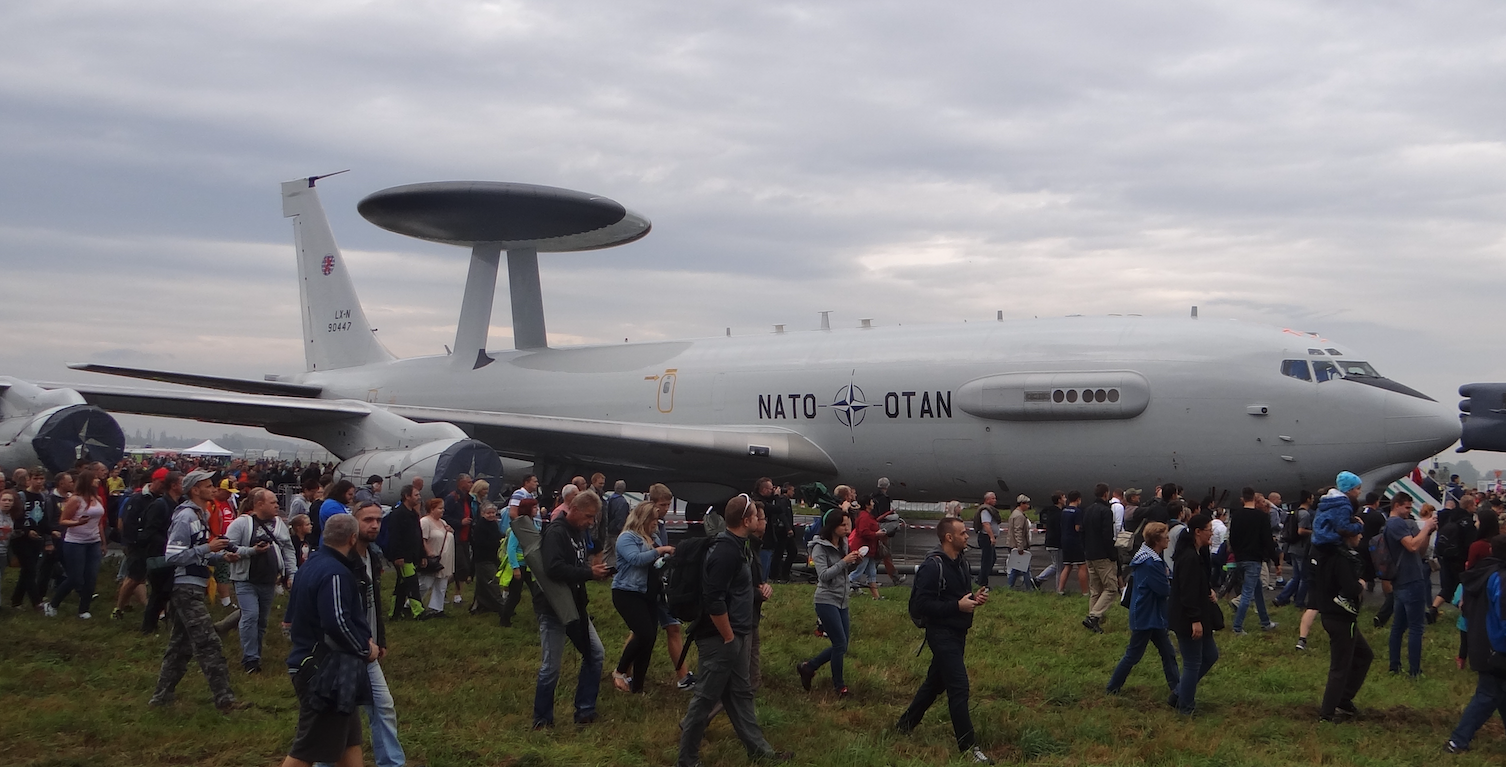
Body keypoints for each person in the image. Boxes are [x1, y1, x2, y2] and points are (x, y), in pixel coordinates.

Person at [676, 494, 792, 766]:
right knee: (704, 699)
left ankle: (760, 752)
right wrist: (728, 636)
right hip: (721, 638)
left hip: (737, 634)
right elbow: (713, 598)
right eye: (756, 515)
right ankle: (687, 760)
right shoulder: (726, 551)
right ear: (746, 520)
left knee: (740, 694)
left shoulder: (741, 546)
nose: (759, 519)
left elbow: (734, 591)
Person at [280, 513, 378, 767]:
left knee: (349, 740)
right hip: (323, 670)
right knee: (307, 749)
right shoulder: (335, 572)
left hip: (326, 666)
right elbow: (336, 621)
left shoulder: (310, 565)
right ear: (353, 538)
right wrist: (364, 648)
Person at [895, 518, 992, 764]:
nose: (967, 536)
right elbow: (921, 604)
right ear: (949, 537)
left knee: (934, 684)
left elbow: (957, 596)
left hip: (958, 633)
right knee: (959, 687)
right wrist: (956, 606)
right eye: (962, 533)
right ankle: (969, 748)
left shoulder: (961, 562)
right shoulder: (932, 566)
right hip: (941, 634)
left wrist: (973, 599)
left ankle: (903, 727)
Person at [150, 470, 242, 711]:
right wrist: (207, 549)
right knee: (208, 643)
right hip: (185, 587)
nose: (213, 489)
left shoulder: (199, 515)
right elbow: (173, 556)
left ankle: (161, 697)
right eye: (208, 485)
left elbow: (196, 555)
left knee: (179, 647)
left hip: (193, 585)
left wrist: (220, 556)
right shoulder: (186, 517)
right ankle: (225, 698)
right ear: (195, 490)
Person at [533, 490, 609, 729]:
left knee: (595, 654)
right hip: (555, 609)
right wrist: (589, 573)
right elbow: (554, 568)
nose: (590, 522)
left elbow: (577, 562)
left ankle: (585, 710)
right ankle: (542, 719)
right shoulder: (556, 532)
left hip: (577, 606)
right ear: (574, 509)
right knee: (551, 667)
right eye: (587, 517)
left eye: (593, 518)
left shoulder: (578, 532)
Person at [348, 500, 411, 767]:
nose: (374, 525)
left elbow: (375, 602)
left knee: (383, 705)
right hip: (345, 648)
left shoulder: (372, 556)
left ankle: (391, 763)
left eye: (377, 520)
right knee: (339, 715)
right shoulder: (343, 558)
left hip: (368, 647)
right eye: (367, 520)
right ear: (354, 523)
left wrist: (379, 638)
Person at [1443, 534, 1506, 754]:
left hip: (1479, 642)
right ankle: (1458, 741)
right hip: (1496, 647)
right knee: (1488, 695)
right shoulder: (1500, 578)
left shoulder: (1481, 573)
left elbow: (1465, 608)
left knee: (1498, 692)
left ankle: (1458, 740)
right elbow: (1504, 617)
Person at [224, 487, 297, 673]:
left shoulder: (279, 524)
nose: (277, 505)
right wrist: (251, 551)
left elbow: (287, 548)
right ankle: (250, 659)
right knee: (250, 615)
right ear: (259, 504)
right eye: (272, 502)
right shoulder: (241, 523)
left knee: (262, 621)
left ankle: (256, 653)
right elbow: (227, 547)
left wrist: (291, 573)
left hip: (269, 580)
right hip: (246, 579)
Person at [1106, 522, 1180, 698]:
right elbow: (1162, 589)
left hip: (1149, 613)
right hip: (1147, 615)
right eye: (1165, 536)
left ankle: (1177, 689)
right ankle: (1112, 687)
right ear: (1156, 539)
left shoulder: (1146, 557)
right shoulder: (1152, 562)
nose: (1168, 538)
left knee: (1168, 653)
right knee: (1134, 654)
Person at [611, 500, 676, 693]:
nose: (656, 523)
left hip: (649, 593)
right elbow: (635, 559)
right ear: (643, 518)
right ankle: (620, 671)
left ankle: (637, 687)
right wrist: (660, 550)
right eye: (653, 519)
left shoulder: (654, 537)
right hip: (627, 592)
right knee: (643, 633)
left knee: (649, 640)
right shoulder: (627, 538)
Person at [797, 508, 861, 695]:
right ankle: (839, 686)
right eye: (843, 525)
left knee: (842, 644)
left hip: (842, 599)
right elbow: (824, 575)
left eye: (848, 524)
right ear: (832, 526)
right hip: (826, 599)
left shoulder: (843, 543)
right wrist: (844, 561)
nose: (847, 528)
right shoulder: (819, 547)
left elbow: (843, 571)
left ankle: (809, 667)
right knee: (840, 643)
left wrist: (854, 561)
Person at [1313, 522, 1371, 722]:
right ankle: (1327, 713)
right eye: (1359, 533)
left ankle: (1344, 700)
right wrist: (1360, 584)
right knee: (1340, 666)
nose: (1361, 537)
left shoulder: (1328, 554)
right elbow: (1350, 588)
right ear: (1350, 535)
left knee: (1364, 655)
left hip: (1332, 615)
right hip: (1341, 618)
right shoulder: (1342, 559)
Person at [1169, 514, 1220, 715]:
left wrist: (1208, 590)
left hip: (1199, 614)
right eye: (1209, 529)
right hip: (1189, 618)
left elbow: (1197, 582)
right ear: (1198, 532)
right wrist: (1195, 620)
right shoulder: (1189, 557)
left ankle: (1179, 693)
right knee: (1192, 663)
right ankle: (1185, 707)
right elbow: (1187, 592)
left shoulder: (1198, 554)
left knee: (1210, 655)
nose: (1212, 532)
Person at [1384, 492, 1435, 678]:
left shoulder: (1394, 524)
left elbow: (1419, 552)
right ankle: (1414, 670)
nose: (1408, 511)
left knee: (1399, 625)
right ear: (1396, 505)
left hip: (1402, 579)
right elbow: (1412, 546)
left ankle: (1394, 665)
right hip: (1410, 579)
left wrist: (1427, 532)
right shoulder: (1396, 523)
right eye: (1406, 507)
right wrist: (1426, 527)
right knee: (1416, 627)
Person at [46, 469, 106, 619]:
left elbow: (98, 523)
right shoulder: (75, 500)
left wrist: (103, 542)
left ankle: (83, 609)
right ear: (88, 481)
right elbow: (63, 520)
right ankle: (53, 604)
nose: (98, 481)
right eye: (95, 478)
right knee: (75, 577)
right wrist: (77, 523)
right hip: (75, 542)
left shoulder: (97, 498)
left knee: (91, 577)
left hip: (93, 541)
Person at [114, 468, 166, 619]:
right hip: (138, 544)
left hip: (155, 544)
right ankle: (118, 608)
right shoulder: (137, 499)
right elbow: (126, 523)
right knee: (134, 578)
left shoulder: (163, 498)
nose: (164, 486)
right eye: (162, 483)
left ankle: (154, 608)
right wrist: (133, 542)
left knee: (146, 578)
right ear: (154, 480)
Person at [1229, 487, 1278, 635]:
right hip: (1254, 558)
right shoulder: (1261, 517)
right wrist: (1276, 560)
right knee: (1247, 594)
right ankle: (1237, 627)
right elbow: (1267, 540)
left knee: (1257, 590)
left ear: (1242, 499)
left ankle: (1265, 621)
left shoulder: (1236, 515)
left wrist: (1237, 553)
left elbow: (1232, 538)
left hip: (1241, 558)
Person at [384, 484, 426, 620]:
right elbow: (395, 536)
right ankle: (418, 611)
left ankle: (395, 613)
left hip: (412, 554)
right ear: (407, 496)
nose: (419, 497)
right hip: (403, 557)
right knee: (412, 583)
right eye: (416, 495)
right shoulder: (398, 514)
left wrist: (422, 554)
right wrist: (398, 556)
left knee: (402, 585)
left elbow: (417, 535)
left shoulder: (413, 514)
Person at [1082, 483, 1118, 633]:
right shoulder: (1106, 511)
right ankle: (1094, 616)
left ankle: (1093, 618)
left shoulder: (1088, 510)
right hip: (1102, 555)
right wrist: (1113, 555)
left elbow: (1082, 532)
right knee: (1111, 588)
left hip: (1089, 554)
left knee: (1095, 589)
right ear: (1106, 494)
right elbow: (1107, 536)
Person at [500, 497, 537, 628]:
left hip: (530, 565)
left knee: (537, 593)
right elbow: (511, 548)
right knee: (515, 595)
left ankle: (541, 616)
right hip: (519, 565)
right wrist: (515, 567)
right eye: (534, 507)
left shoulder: (533, 524)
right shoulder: (519, 526)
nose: (537, 510)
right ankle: (504, 619)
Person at [1274, 490, 1315, 609]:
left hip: (1292, 547)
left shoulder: (1295, 512)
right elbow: (1301, 531)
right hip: (1301, 548)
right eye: (1311, 498)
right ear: (1307, 499)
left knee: (1296, 576)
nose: (1313, 500)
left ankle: (1282, 598)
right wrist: (1313, 532)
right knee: (1304, 577)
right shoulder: (1305, 514)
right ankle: (1299, 601)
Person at [443, 474, 476, 606]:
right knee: (460, 566)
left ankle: (456, 594)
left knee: (463, 568)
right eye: (468, 482)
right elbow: (445, 516)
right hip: (455, 537)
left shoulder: (468, 499)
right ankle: (445, 589)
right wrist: (460, 522)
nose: (471, 484)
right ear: (460, 483)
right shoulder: (452, 498)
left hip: (466, 537)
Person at [470, 501, 506, 616]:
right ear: (482, 513)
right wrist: (496, 543)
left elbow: (498, 535)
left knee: (482, 584)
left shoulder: (493, 524)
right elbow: (480, 543)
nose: (491, 515)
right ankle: (502, 606)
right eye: (488, 513)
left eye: (493, 512)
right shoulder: (480, 526)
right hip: (483, 558)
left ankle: (481, 605)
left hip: (492, 557)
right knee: (492, 582)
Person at [418, 499, 453, 616]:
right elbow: (422, 539)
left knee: (442, 584)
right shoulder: (425, 522)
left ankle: (437, 608)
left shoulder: (443, 522)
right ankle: (412, 603)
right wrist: (428, 552)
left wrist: (450, 531)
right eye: (440, 508)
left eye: (443, 508)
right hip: (433, 558)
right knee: (425, 583)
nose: (442, 510)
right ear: (432, 509)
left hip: (445, 559)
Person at [847, 493, 883, 600]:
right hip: (864, 548)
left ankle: (876, 597)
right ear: (867, 505)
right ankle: (843, 588)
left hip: (869, 548)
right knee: (858, 572)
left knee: (872, 573)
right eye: (871, 502)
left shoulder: (865, 516)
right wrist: (876, 534)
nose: (873, 504)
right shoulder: (864, 517)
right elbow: (863, 532)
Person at [1058, 491, 1089, 596]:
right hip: (1074, 540)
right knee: (1082, 566)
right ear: (1078, 499)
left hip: (1065, 539)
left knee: (1067, 565)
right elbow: (1077, 528)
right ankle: (1085, 592)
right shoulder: (1077, 511)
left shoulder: (1064, 511)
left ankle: (1060, 589)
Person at [1035, 493, 1063, 590]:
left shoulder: (1051, 513)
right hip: (1056, 543)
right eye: (1063, 497)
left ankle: (1039, 579)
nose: (1065, 499)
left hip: (1050, 541)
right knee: (1058, 567)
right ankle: (1058, 588)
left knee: (1056, 565)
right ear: (1059, 500)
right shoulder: (1058, 514)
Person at [1005, 495, 1032, 588]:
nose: (1028, 506)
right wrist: (1020, 547)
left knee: (1017, 568)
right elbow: (1018, 531)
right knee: (1025, 568)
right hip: (1017, 546)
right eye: (1027, 504)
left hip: (1013, 544)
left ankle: (1010, 586)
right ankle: (1029, 588)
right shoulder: (1019, 516)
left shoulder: (1015, 514)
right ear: (1022, 504)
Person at [974, 492, 999, 588]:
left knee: (991, 559)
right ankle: (982, 582)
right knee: (987, 561)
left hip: (987, 537)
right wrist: (992, 537)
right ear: (987, 500)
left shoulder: (989, 509)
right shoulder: (985, 510)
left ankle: (981, 579)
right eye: (993, 498)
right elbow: (986, 524)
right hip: (986, 537)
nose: (995, 500)